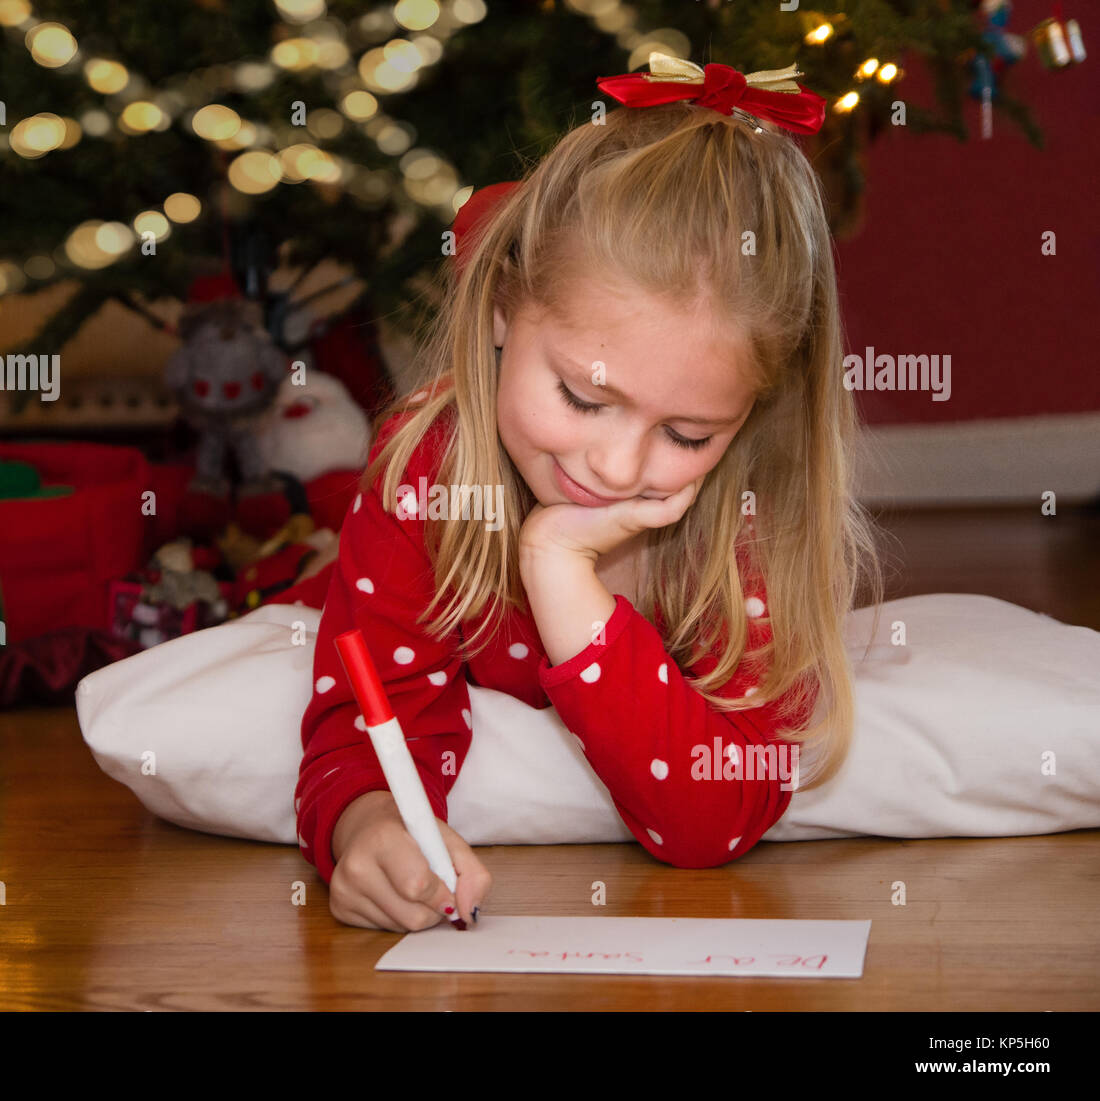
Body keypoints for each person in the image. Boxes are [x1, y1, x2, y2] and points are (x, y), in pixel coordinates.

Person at [288, 57, 887, 932]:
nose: (612, 467)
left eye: (687, 435)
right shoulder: (429, 464)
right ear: (499, 306)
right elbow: (364, 719)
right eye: (582, 396)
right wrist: (368, 823)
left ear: (755, 408)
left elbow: (711, 818)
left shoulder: (749, 515)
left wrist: (564, 579)